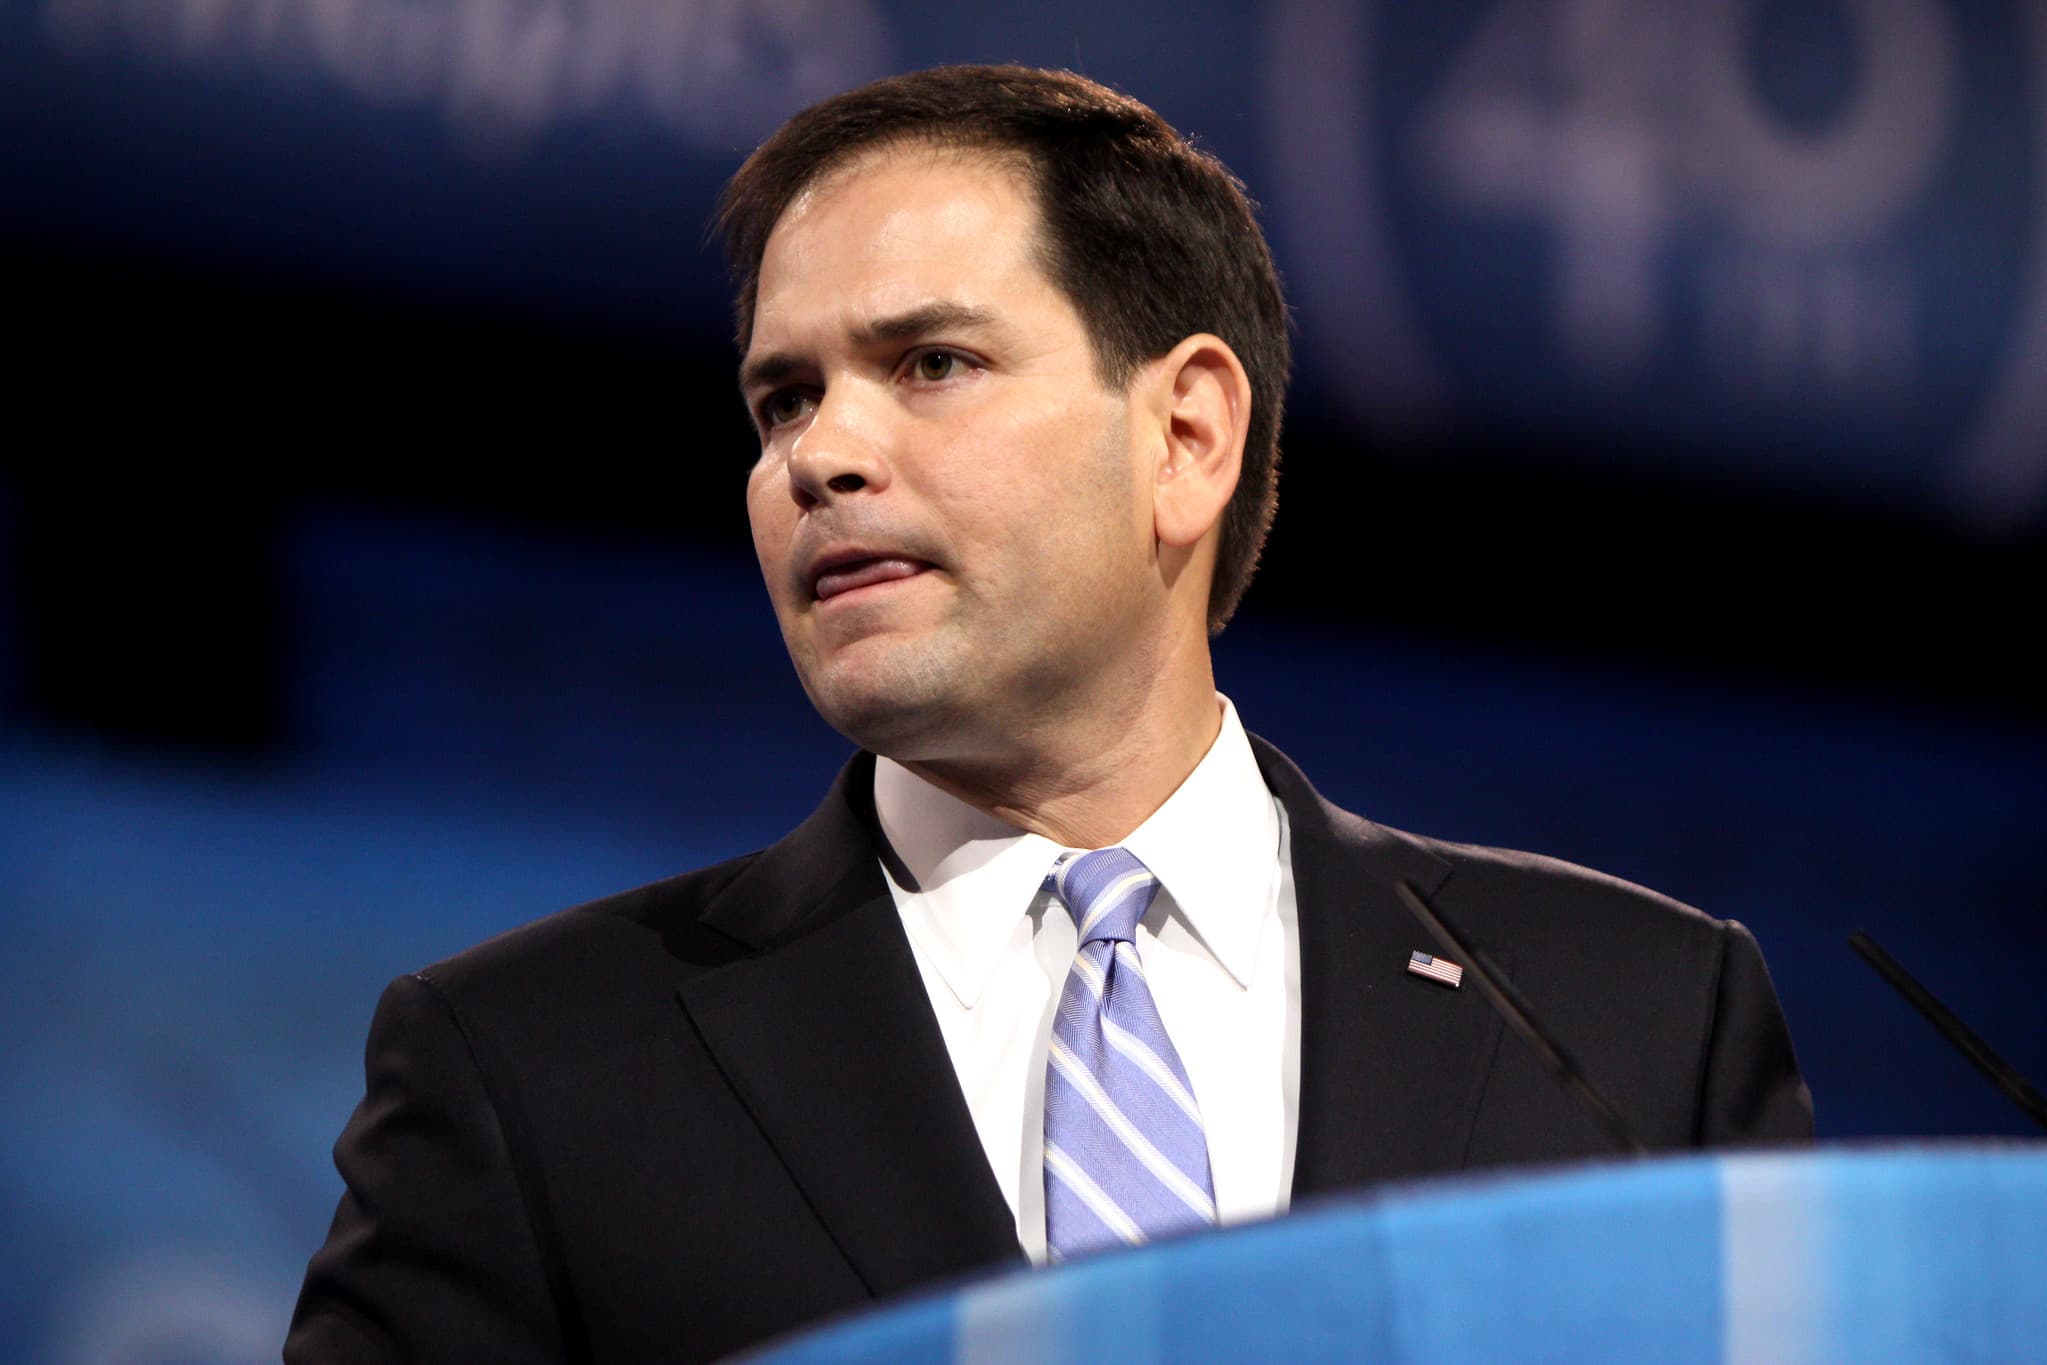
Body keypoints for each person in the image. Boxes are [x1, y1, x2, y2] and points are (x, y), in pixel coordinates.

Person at [286, 64, 1811, 1364]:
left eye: (930, 363)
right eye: (783, 400)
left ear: (1187, 435)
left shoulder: (1638, 1022)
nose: (821, 456)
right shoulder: (533, 1068)